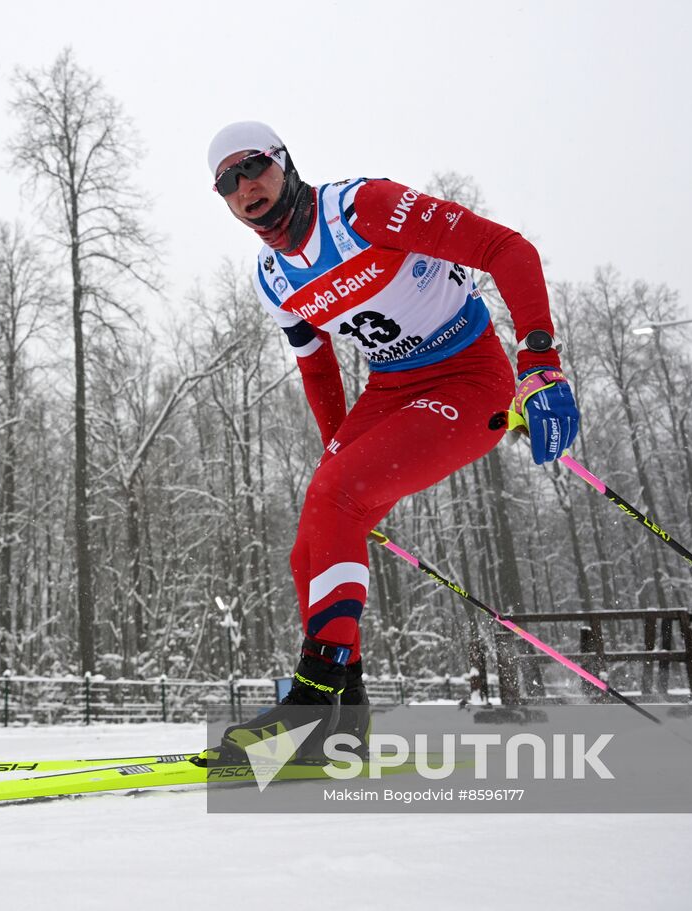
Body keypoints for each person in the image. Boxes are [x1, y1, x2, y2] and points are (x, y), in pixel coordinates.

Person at [208, 121, 579, 759]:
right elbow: (317, 365)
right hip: (390, 389)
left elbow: (510, 250)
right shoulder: (273, 277)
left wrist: (539, 362)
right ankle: (345, 715)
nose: (245, 187)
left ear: (284, 162)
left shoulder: (362, 209)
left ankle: (313, 702)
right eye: (226, 183)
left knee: (335, 496)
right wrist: (340, 462)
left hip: (470, 377)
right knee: (312, 540)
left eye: (253, 167)